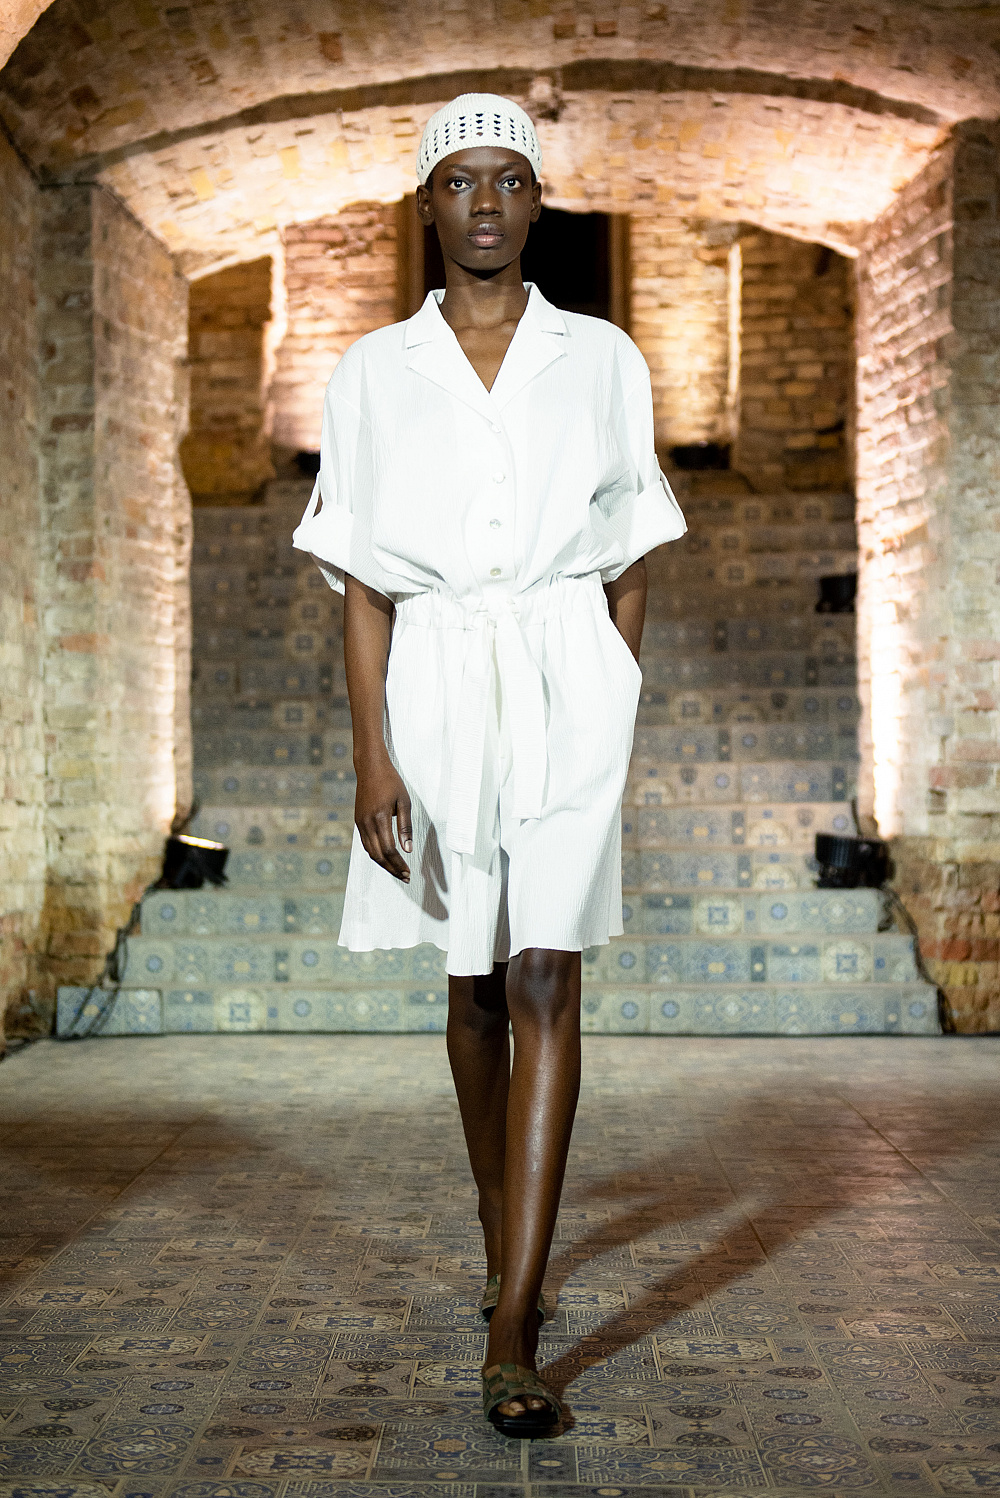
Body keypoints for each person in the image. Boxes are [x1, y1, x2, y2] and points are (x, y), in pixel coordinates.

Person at [293, 93, 686, 1437]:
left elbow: (633, 547)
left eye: (508, 179)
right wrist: (372, 755)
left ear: (536, 202)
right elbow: (361, 581)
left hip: (567, 671)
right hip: (437, 678)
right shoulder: (372, 370)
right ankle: (497, 1221)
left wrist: (611, 690)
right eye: (459, 181)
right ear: (427, 204)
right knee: (471, 987)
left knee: (545, 973)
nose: (484, 203)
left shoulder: (603, 358)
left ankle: (515, 1321)